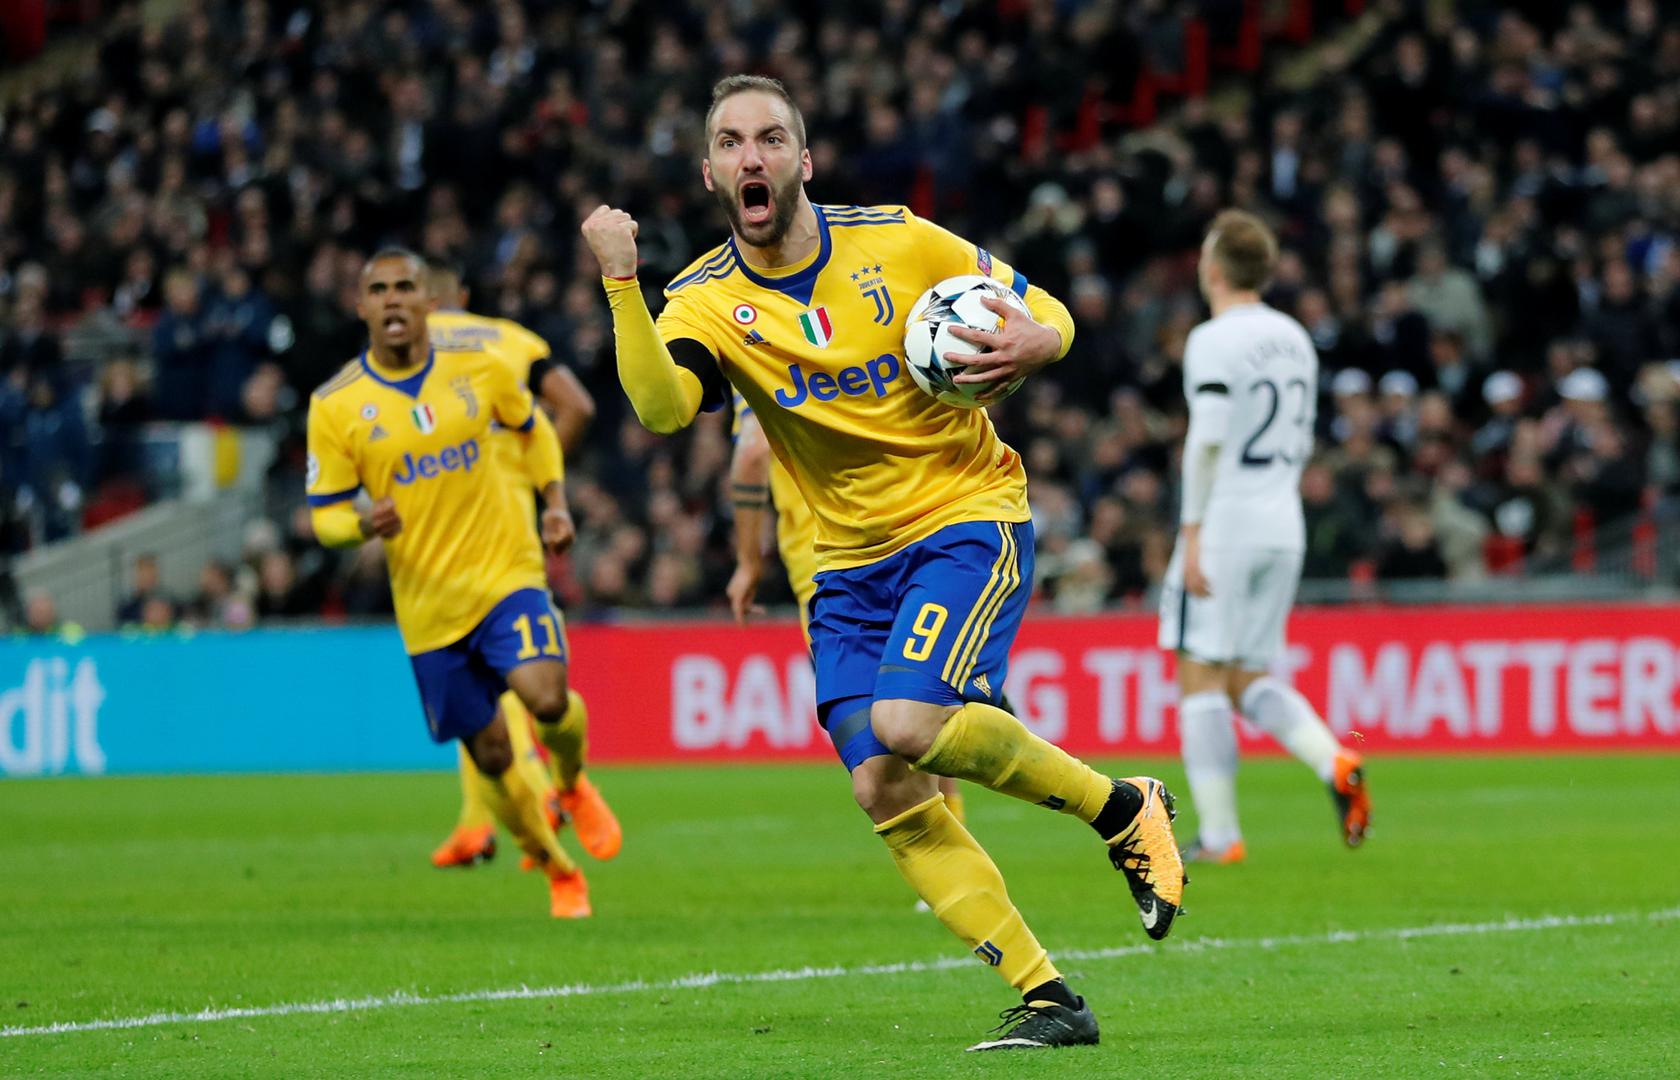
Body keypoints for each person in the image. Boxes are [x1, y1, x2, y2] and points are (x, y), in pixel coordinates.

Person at [583, 75, 1184, 1052]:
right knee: (883, 785)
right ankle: (1049, 998)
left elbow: (1044, 308)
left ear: (804, 159)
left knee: (909, 722)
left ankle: (1121, 809)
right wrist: (623, 286)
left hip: (963, 519)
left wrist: (1041, 339)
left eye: (770, 138)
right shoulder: (702, 300)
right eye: (730, 142)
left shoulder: (900, 240)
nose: (751, 156)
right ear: (709, 173)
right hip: (846, 568)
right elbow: (661, 410)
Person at [306, 248, 591, 918]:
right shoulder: (335, 405)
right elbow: (324, 517)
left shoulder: (480, 367)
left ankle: (571, 781)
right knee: (491, 754)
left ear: (428, 302)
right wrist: (361, 524)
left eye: (405, 287)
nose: (393, 299)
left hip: (505, 574)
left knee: (547, 696)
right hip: (429, 609)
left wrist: (554, 502)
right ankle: (556, 865)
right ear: (361, 306)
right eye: (379, 289)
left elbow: (535, 432)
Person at [1157, 210, 1372, 866]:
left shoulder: (1212, 338)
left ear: (1214, 269)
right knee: (1246, 676)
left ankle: (1221, 835)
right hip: (1282, 521)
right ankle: (1335, 759)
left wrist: (1192, 532)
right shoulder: (1294, 337)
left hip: (1226, 521)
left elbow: (1208, 439)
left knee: (1198, 675)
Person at [423, 258, 621, 873]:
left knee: (504, 696)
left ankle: (542, 799)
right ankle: (490, 818)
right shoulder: (509, 342)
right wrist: (541, 487)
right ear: (461, 292)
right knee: (500, 701)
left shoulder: (394, 370)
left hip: (446, 555)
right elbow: (577, 407)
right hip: (501, 543)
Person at [727, 395, 968, 861]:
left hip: (831, 573)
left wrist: (748, 562)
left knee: (883, 754)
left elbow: (753, 452)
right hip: (906, 543)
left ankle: (949, 862)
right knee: (922, 710)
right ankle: (957, 843)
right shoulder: (848, 357)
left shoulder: (756, 362)